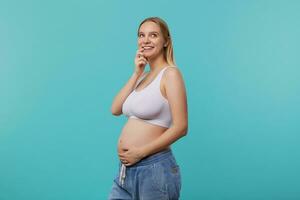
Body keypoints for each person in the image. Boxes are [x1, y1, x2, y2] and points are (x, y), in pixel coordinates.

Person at [108, 16, 188, 200]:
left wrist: (141, 152)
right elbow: (115, 109)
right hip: (125, 171)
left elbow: (181, 127)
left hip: (154, 170)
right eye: (141, 35)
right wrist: (136, 73)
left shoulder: (171, 74)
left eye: (153, 35)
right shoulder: (143, 77)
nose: (145, 40)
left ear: (166, 41)